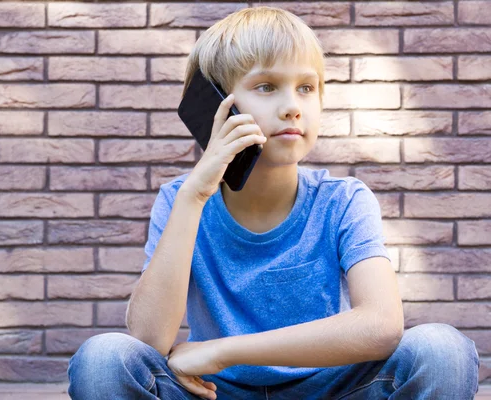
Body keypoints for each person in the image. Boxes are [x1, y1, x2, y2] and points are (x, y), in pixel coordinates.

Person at [67, 6, 480, 400]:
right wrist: (194, 196)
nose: (292, 108)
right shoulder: (181, 199)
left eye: (306, 88)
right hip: (212, 390)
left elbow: (381, 325)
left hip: (330, 388)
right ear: (216, 107)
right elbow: (148, 338)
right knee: (104, 358)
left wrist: (224, 350)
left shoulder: (343, 200)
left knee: (442, 349)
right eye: (266, 87)